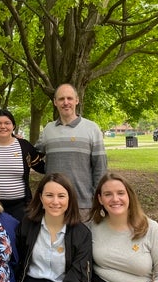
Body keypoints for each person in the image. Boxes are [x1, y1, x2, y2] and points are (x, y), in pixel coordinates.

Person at [16, 173, 92, 282]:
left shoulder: (81, 234)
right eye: (49, 195)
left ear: (69, 199)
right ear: (40, 198)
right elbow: (16, 261)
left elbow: (79, 277)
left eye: (61, 196)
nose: (55, 201)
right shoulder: (27, 225)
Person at [35, 83, 107, 220]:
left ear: (77, 100)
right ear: (55, 102)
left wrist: (97, 198)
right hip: (53, 204)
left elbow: (100, 167)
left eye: (69, 98)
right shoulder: (48, 130)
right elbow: (33, 156)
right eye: (61, 99)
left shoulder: (92, 128)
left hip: (83, 204)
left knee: (82, 241)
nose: (66, 102)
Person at [0, 109, 45, 221]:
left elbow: (40, 166)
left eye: (7, 123)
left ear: (13, 126)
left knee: (18, 237)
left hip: (20, 206)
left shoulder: (25, 147)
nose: (3, 126)